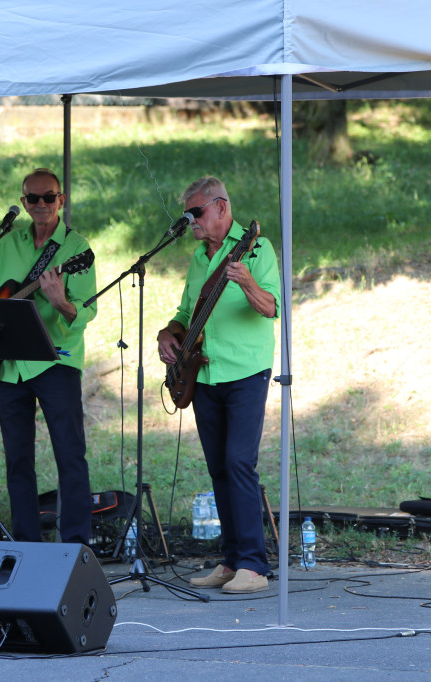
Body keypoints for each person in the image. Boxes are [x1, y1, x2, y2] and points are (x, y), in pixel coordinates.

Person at [0, 168, 98, 545]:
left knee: (69, 455)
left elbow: (85, 313)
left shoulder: (77, 249)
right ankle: (25, 544)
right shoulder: (7, 244)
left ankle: (76, 545)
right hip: (10, 365)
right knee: (17, 459)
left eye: (48, 198)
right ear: (23, 203)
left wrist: (60, 301)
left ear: (61, 200)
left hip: (56, 362)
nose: (40, 205)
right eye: (32, 199)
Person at [157, 176, 281, 594]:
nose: (190, 219)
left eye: (197, 211)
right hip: (203, 373)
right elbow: (185, 311)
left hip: (245, 371)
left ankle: (254, 566)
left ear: (222, 208)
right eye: (188, 213)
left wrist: (246, 281)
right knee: (218, 468)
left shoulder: (258, 250)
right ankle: (231, 561)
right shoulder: (197, 258)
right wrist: (167, 334)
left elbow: (272, 307)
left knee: (238, 463)